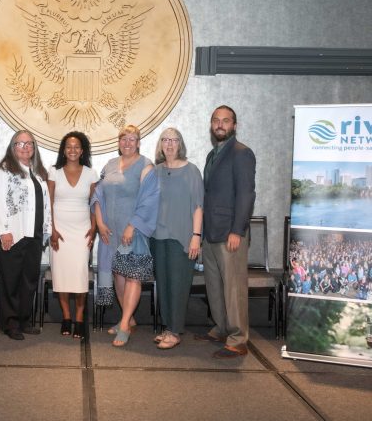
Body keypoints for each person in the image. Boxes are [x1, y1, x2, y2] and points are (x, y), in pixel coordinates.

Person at [196, 105, 256, 358]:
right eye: (216, 121)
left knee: (233, 287)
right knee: (215, 286)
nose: (220, 125)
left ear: (234, 125)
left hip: (230, 233)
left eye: (225, 121)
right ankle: (221, 327)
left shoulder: (241, 153)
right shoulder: (213, 154)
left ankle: (238, 338)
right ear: (211, 125)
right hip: (211, 231)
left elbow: (246, 194)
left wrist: (237, 230)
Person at [92, 125, 159, 347]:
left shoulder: (146, 166)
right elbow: (98, 194)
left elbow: (150, 200)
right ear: (118, 142)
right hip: (110, 232)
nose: (127, 143)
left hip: (133, 231)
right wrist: (100, 223)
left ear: (138, 142)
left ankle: (123, 327)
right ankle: (127, 318)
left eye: (132, 139)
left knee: (132, 277)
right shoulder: (110, 165)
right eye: (124, 139)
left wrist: (133, 225)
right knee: (118, 277)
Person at [0, 130, 51, 340]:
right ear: (12, 147)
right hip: (13, 235)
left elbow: (45, 204)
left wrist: (46, 229)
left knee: (29, 280)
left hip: (33, 235)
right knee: (11, 281)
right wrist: (2, 231)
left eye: (29, 144)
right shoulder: (5, 170)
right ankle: (10, 324)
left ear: (34, 148)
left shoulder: (38, 171)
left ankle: (24, 320)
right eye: (20, 143)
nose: (25, 147)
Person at [150, 127, 203, 350]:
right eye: (165, 140)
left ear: (180, 144)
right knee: (163, 283)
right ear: (160, 145)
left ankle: (175, 330)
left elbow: (198, 206)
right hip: (157, 236)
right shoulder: (155, 171)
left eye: (174, 140)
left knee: (178, 284)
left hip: (182, 236)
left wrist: (196, 236)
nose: (170, 144)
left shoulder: (192, 171)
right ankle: (167, 326)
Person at [48, 132, 99, 339]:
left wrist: (94, 227)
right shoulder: (54, 172)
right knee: (61, 275)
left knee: (79, 275)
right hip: (59, 231)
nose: (72, 150)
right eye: (68, 146)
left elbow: (95, 203)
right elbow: (48, 203)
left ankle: (79, 318)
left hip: (82, 231)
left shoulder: (91, 173)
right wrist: (51, 229)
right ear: (63, 149)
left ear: (82, 150)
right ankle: (66, 317)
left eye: (76, 146)